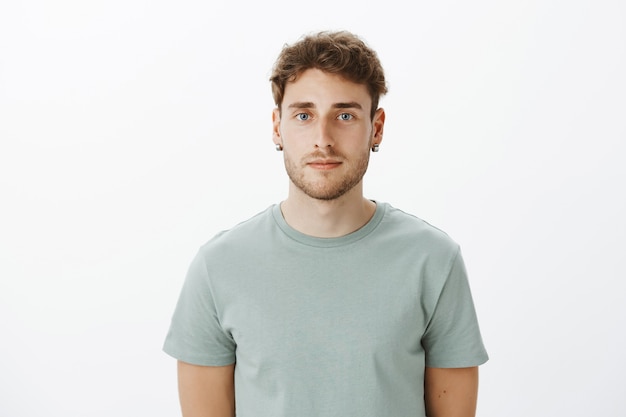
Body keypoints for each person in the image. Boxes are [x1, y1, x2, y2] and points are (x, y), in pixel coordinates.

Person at [163, 30, 488, 417]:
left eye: (345, 115)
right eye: (304, 115)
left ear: (377, 127)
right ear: (277, 127)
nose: (323, 138)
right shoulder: (218, 267)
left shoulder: (433, 260)